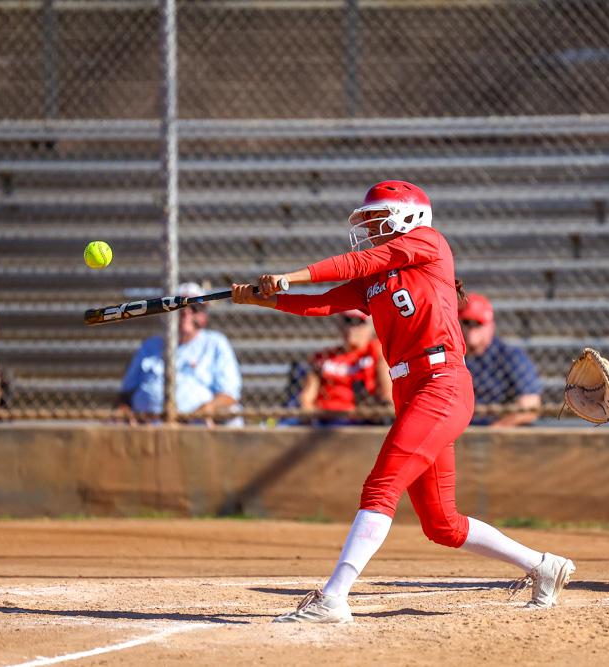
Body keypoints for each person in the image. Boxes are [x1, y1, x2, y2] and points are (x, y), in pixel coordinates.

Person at [231, 180, 574, 623]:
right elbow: (324, 304)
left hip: (442, 382)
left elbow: (358, 261)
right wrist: (268, 299)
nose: (370, 227)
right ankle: (543, 566)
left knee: (381, 486)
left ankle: (333, 598)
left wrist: (290, 275)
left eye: (377, 218)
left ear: (407, 215)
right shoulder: (376, 277)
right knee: (441, 524)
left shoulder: (429, 242)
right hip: (410, 390)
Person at [117, 282, 242, 425]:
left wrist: (210, 407)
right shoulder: (151, 345)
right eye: (178, 307)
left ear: (203, 316)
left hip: (195, 424)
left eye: (194, 308)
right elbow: (125, 395)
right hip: (149, 423)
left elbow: (229, 395)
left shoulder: (215, 344)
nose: (185, 313)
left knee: (234, 415)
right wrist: (124, 410)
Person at [459, 293, 542, 426]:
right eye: (466, 322)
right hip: (457, 429)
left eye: (478, 323)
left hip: (499, 430)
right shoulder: (451, 356)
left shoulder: (509, 356)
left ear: (491, 326)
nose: (472, 329)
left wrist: (495, 430)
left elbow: (531, 404)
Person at [298, 309, 393, 425]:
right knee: (286, 425)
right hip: (323, 417)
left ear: (369, 328)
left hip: (357, 418)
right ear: (340, 327)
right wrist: (310, 419)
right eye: (347, 322)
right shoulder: (324, 357)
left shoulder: (376, 350)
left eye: (358, 323)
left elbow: (387, 393)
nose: (351, 329)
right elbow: (306, 398)